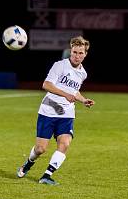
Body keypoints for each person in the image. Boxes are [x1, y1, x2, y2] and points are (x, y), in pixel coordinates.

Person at [17, 36, 95, 185]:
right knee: (40, 149)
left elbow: (74, 91)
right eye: (74, 52)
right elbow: (46, 85)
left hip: (66, 114)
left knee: (65, 143)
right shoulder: (60, 65)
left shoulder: (82, 73)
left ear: (85, 54)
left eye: (80, 53)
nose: (77, 56)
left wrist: (83, 100)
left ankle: (46, 176)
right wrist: (66, 95)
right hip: (49, 110)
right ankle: (28, 163)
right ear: (70, 51)